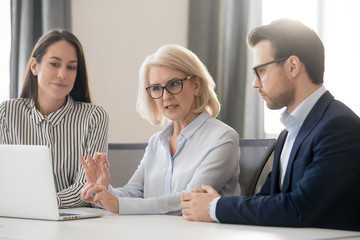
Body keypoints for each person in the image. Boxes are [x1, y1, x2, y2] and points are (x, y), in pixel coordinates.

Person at [181, 18, 360, 231]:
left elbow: (299, 209)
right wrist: (214, 204)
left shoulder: (339, 126)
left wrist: (214, 207)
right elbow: (266, 199)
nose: (255, 83)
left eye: (261, 71)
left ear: (292, 66)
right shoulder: (288, 133)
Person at [80, 44, 240, 215]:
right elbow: (133, 193)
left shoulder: (223, 138)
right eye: (156, 88)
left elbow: (190, 202)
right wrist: (103, 190)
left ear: (196, 85)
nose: (166, 96)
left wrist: (118, 204)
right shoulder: (157, 141)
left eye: (174, 84)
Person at [0, 29, 109, 208]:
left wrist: (45, 202)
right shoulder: (6, 113)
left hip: (78, 222)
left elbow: (87, 187)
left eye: (71, 67)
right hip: (20, 216)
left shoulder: (94, 117)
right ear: (35, 66)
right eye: (54, 64)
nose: (62, 74)